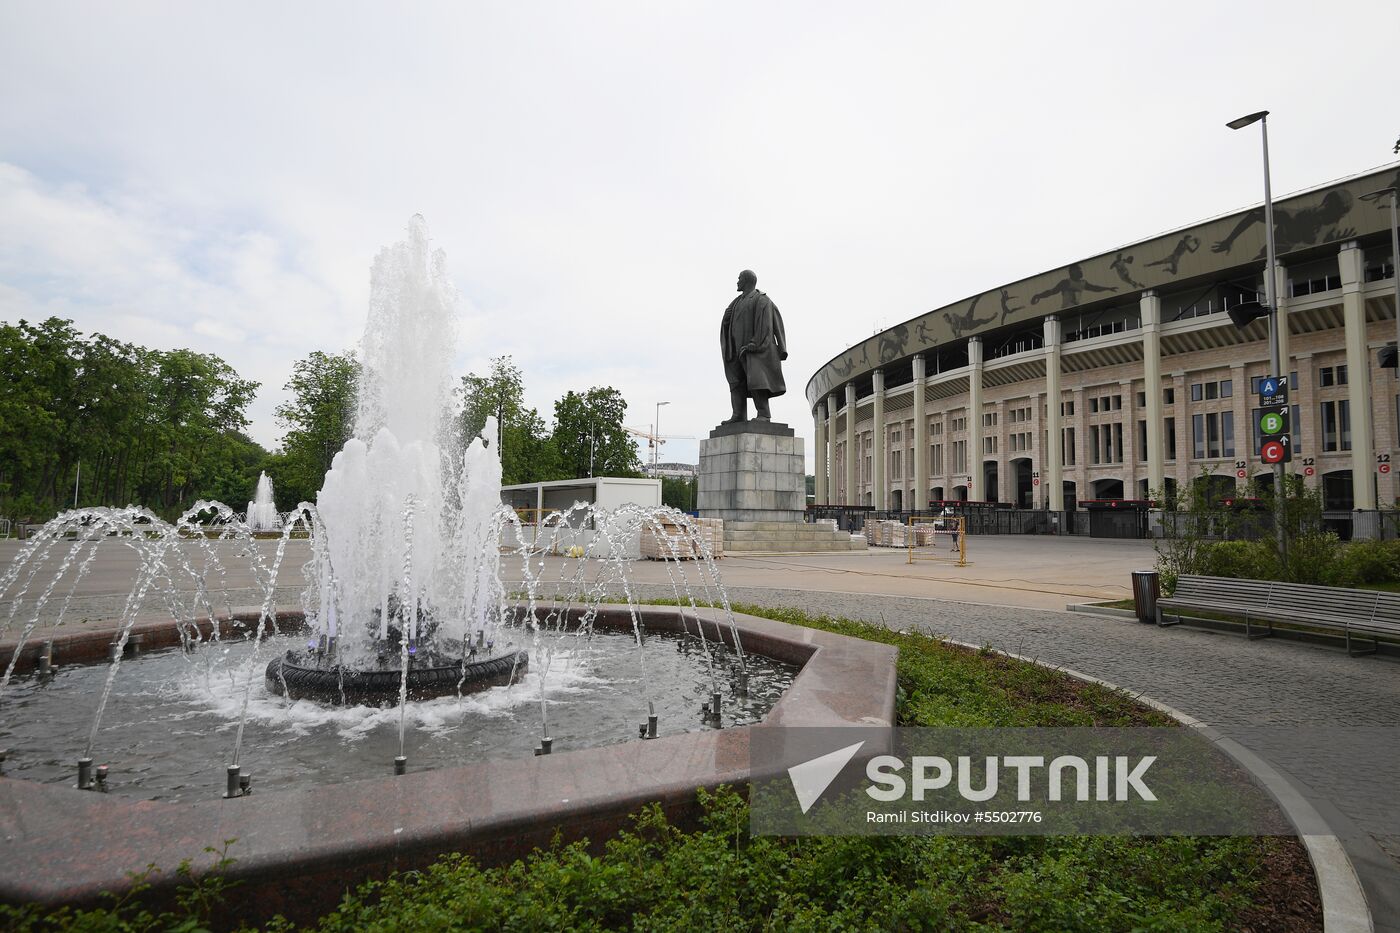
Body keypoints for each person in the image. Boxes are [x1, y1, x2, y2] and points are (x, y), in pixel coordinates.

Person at [721, 269, 788, 422]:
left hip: (753, 350)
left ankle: (764, 414)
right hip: (736, 350)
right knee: (736, 382)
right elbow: (729, 323)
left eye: (739, 279)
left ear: (747, 280)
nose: (737, 282)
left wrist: (755, 344)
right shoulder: (737, 302)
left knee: (757, 381)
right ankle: (738, 414)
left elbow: (765, 325)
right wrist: (726, 321)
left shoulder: (761, 299)